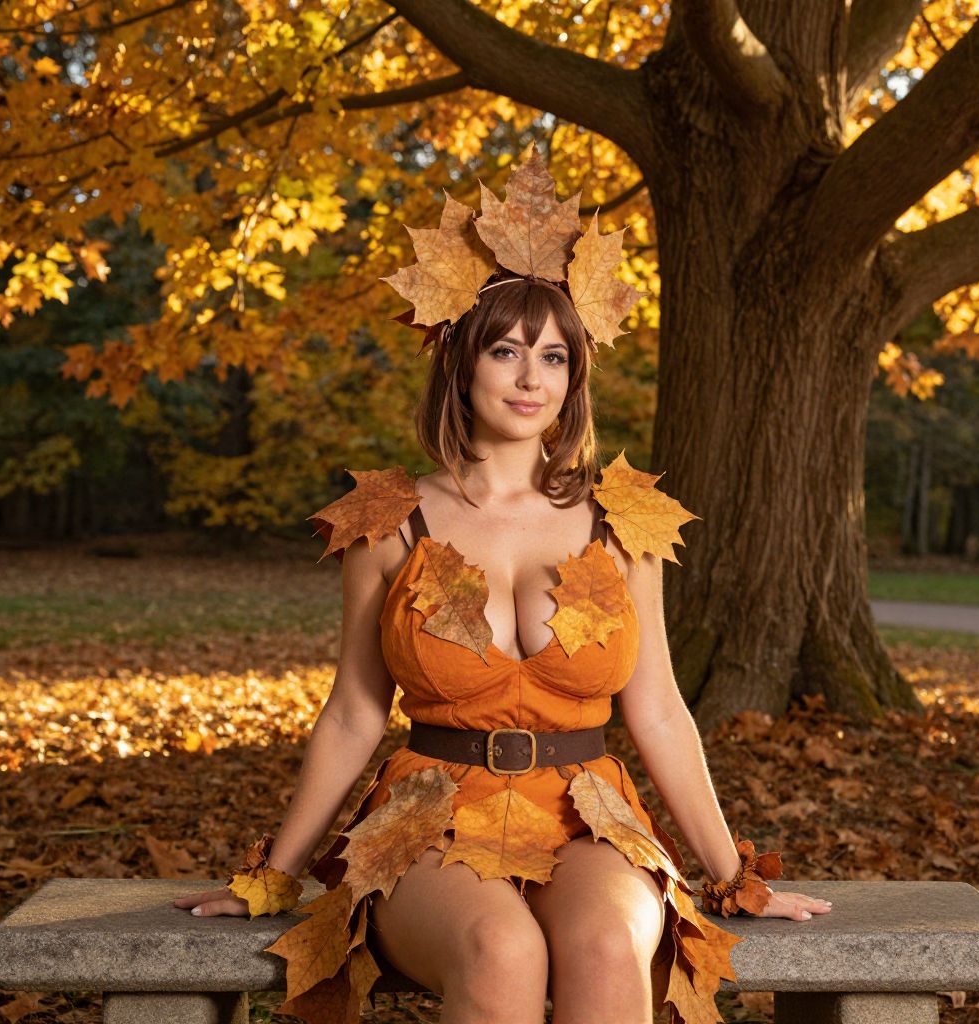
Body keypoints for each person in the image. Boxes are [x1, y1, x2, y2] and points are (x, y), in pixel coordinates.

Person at [173, 147, 833, 1024]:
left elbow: (659, 710)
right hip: (429, 813)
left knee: (609, 945)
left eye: (554, 356)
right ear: (460, 361)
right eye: (507, 350)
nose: (531, 378)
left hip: (590, 812)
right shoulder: (389, 520)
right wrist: (274, 875)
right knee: (502, 949)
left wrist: (732, 874)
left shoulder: (622, 522)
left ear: (575, 375)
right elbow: (355, 713)